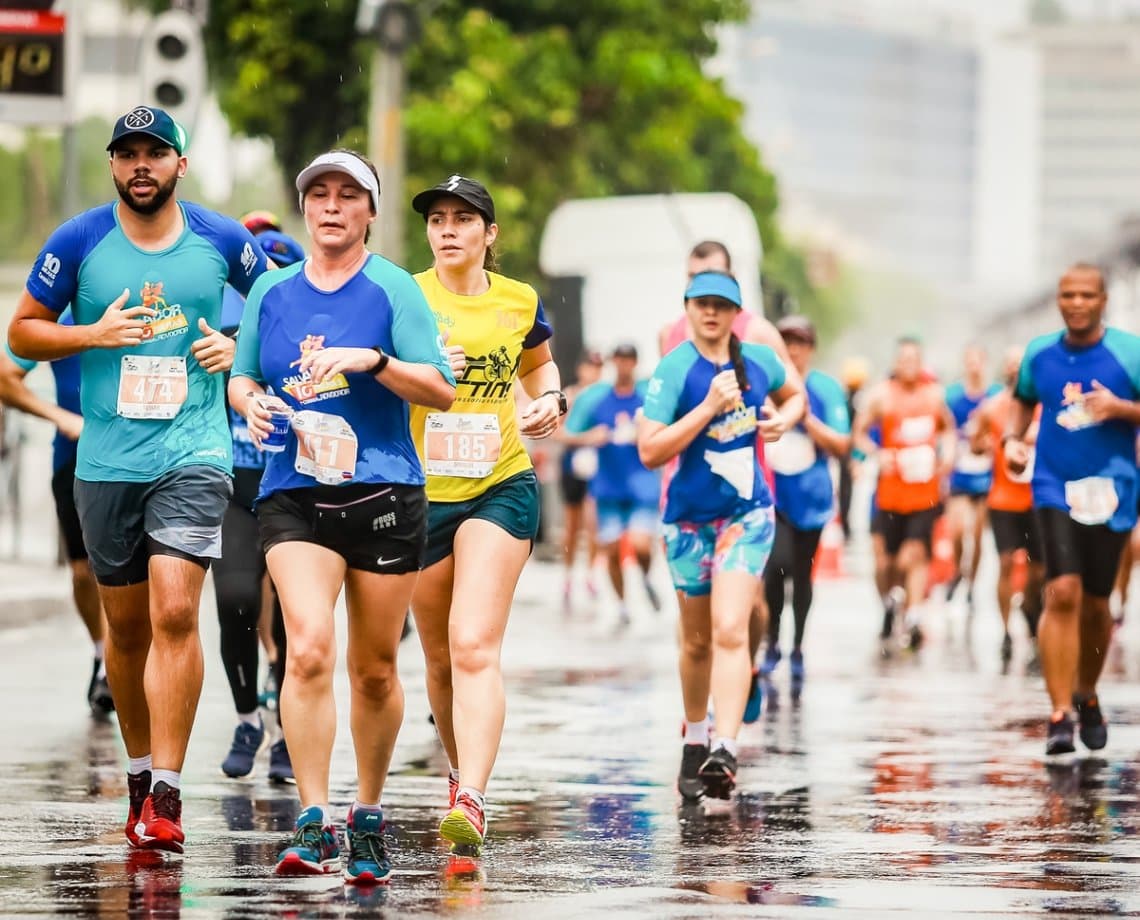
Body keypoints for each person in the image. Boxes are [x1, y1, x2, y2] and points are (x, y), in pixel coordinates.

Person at [7, 105, 269, 854]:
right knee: (124, 632)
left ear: (180, 164)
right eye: (128, 154)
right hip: (107, 462)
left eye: (157, 152)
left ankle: (169, 794)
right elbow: (23, 331)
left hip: (194, 453)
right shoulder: (79, 241)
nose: (141, 165)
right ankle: (138, 771)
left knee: (176, 613)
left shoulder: (223, 239)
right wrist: (90, 334)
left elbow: (283, 309)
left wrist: (234, 346)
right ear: (114, 166)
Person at [229, 149, 455, 882]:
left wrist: (372, 361)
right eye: (318, 194)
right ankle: (313, 819)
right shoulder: (271, 291)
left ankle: (367, 815)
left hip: (384, 492)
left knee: (376, 671)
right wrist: (253, 402)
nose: (330, 206)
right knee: (308, 648)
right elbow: (241, 377)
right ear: (305, 207)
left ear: (370, 211)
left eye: (347, 195)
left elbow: (440, 390)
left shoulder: (393, 290)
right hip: (293, 491)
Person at [407, 175, 563, 851]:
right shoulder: (402, 296)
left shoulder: (518, 300)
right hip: (416, 494)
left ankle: (472, 796)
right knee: (439, 658)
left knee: (473, 644)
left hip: (499, 482)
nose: (447, 229)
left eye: (463, 219)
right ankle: (455, 770)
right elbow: (370, 376)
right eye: (437, 218)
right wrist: (417, 366)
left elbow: (542, 368)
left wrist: (551, 403)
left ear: (488, 235)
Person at [638, 270, 805, 802]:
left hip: (747, 514)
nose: (711, 313)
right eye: (701, 303)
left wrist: (785, 420)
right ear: (687, 308)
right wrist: (708, 407)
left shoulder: (758, 361)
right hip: (687, 519)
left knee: (732, 626)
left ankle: (726, 748)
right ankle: (694, 736)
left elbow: (795, 393)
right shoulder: (674, 371)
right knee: (697, 638)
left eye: (721, 305)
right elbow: (650, 450)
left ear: (737, 314)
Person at [1004, 263, 1140, 756]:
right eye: (1068, 295)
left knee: (1098, 605)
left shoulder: (1130, 352)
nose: (1076, 303)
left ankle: (1087, 692)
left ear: (1103, 300)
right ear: (1059, 301)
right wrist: (1013, 440)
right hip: (1053, 484)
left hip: (1114, 487)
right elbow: (1021, 401)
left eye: (1086, 295)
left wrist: (1121, 409)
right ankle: (1059, 713)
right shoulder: (1039, 353)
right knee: (1061, 591)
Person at [214, 223, 306, 783]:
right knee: (235, 601)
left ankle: (291, 729)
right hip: (234, 484)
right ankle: (248, 716)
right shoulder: (219, 316)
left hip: (295, 485)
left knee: (301, 616)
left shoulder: (304, 322)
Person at [0, 309, 113, 715]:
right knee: (83, 571)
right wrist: (60, 417)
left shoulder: (147, 304)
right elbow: (5, 376)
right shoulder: (60, 318)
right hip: (73, 458)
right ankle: (102, 654)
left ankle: (121, 666)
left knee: (130, 574)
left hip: (137, 459)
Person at [760, 316, 851, 695]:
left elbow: (842, 445)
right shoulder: (765, 383)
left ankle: (797, 646)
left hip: (811, 499)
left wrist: (803, 415)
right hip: (772, 496)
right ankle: (772, 643)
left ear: (811, 348)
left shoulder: (824, 389)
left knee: (802, 576)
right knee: (775, 570)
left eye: (800, 342)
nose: (793, 350)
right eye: (787, 342)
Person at [853, 337, 956, 650]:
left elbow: (948, 430)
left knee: (915, 555)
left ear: (921, 362)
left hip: (924, 493)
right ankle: (889, 602)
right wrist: (876, 453)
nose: (909, 365)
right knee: (886, 563)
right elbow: (858, 434)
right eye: (904, 359)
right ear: (896, 363)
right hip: (889, 494)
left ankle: (912, 615)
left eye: (915, 359)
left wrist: (947, 456)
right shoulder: (881, 396)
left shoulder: (934, 396)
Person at [563, 343, 662, 623]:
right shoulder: (596, 398)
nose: (624, 365)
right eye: (619, 359)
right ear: (613, 362)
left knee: (641, 545)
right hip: (607, 485)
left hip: (642, 484)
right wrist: (589, 437)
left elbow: (669, 427)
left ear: (636, 362)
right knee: (613, 548)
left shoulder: (647, 396)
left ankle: (645, 576)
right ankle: (622, 604)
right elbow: (566, 433)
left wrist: (646, 435)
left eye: (629, 359)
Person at [970, 345, 1045, 663]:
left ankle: (1030, 607)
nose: (1015, 371)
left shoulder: (1044, 407)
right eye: (1010, 365)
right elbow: (974, 444)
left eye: (1020, 365)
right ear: (1004, 371)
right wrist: (984, 444)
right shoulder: (992, 408)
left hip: (1037, 499)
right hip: (1002, 499)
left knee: (1037, 570)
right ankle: (1004, 631)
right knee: (1003, 563)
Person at [943, 344, 1001, 608]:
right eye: (970, 361)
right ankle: (958, 570)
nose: (974, 366)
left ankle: (972, 587)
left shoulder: (996, 396)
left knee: (977, 535)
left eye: (979, 361)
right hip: (960, 473)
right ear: (965, 364)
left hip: (987, 475)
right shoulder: (953, 396)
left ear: (985, 363)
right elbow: (943, 429)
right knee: (956, 531)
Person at [555, 349, 604, 610]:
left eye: (597, 367)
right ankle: (568, 575)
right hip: (572, 463)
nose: (593, 372)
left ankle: (591, 574)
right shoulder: (570, 396)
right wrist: (586, 438)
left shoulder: (604, 395)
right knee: (572, 525)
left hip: (597, 465)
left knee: (593, 523)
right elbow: (557, 432)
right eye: (589, 366)